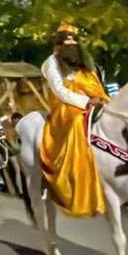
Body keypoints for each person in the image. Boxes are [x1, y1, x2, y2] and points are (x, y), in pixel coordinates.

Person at [39, 23, 108, 218]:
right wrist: (86, 102)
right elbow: (59, 90)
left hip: (95, 100)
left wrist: (99, 99)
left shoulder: (85, 62)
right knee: (77, 122)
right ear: (58, 43)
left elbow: (95, 84)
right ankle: (75, 183)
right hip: (67, 106)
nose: (71, 43)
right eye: (66, 40)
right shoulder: (51, 63)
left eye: (74, 40)